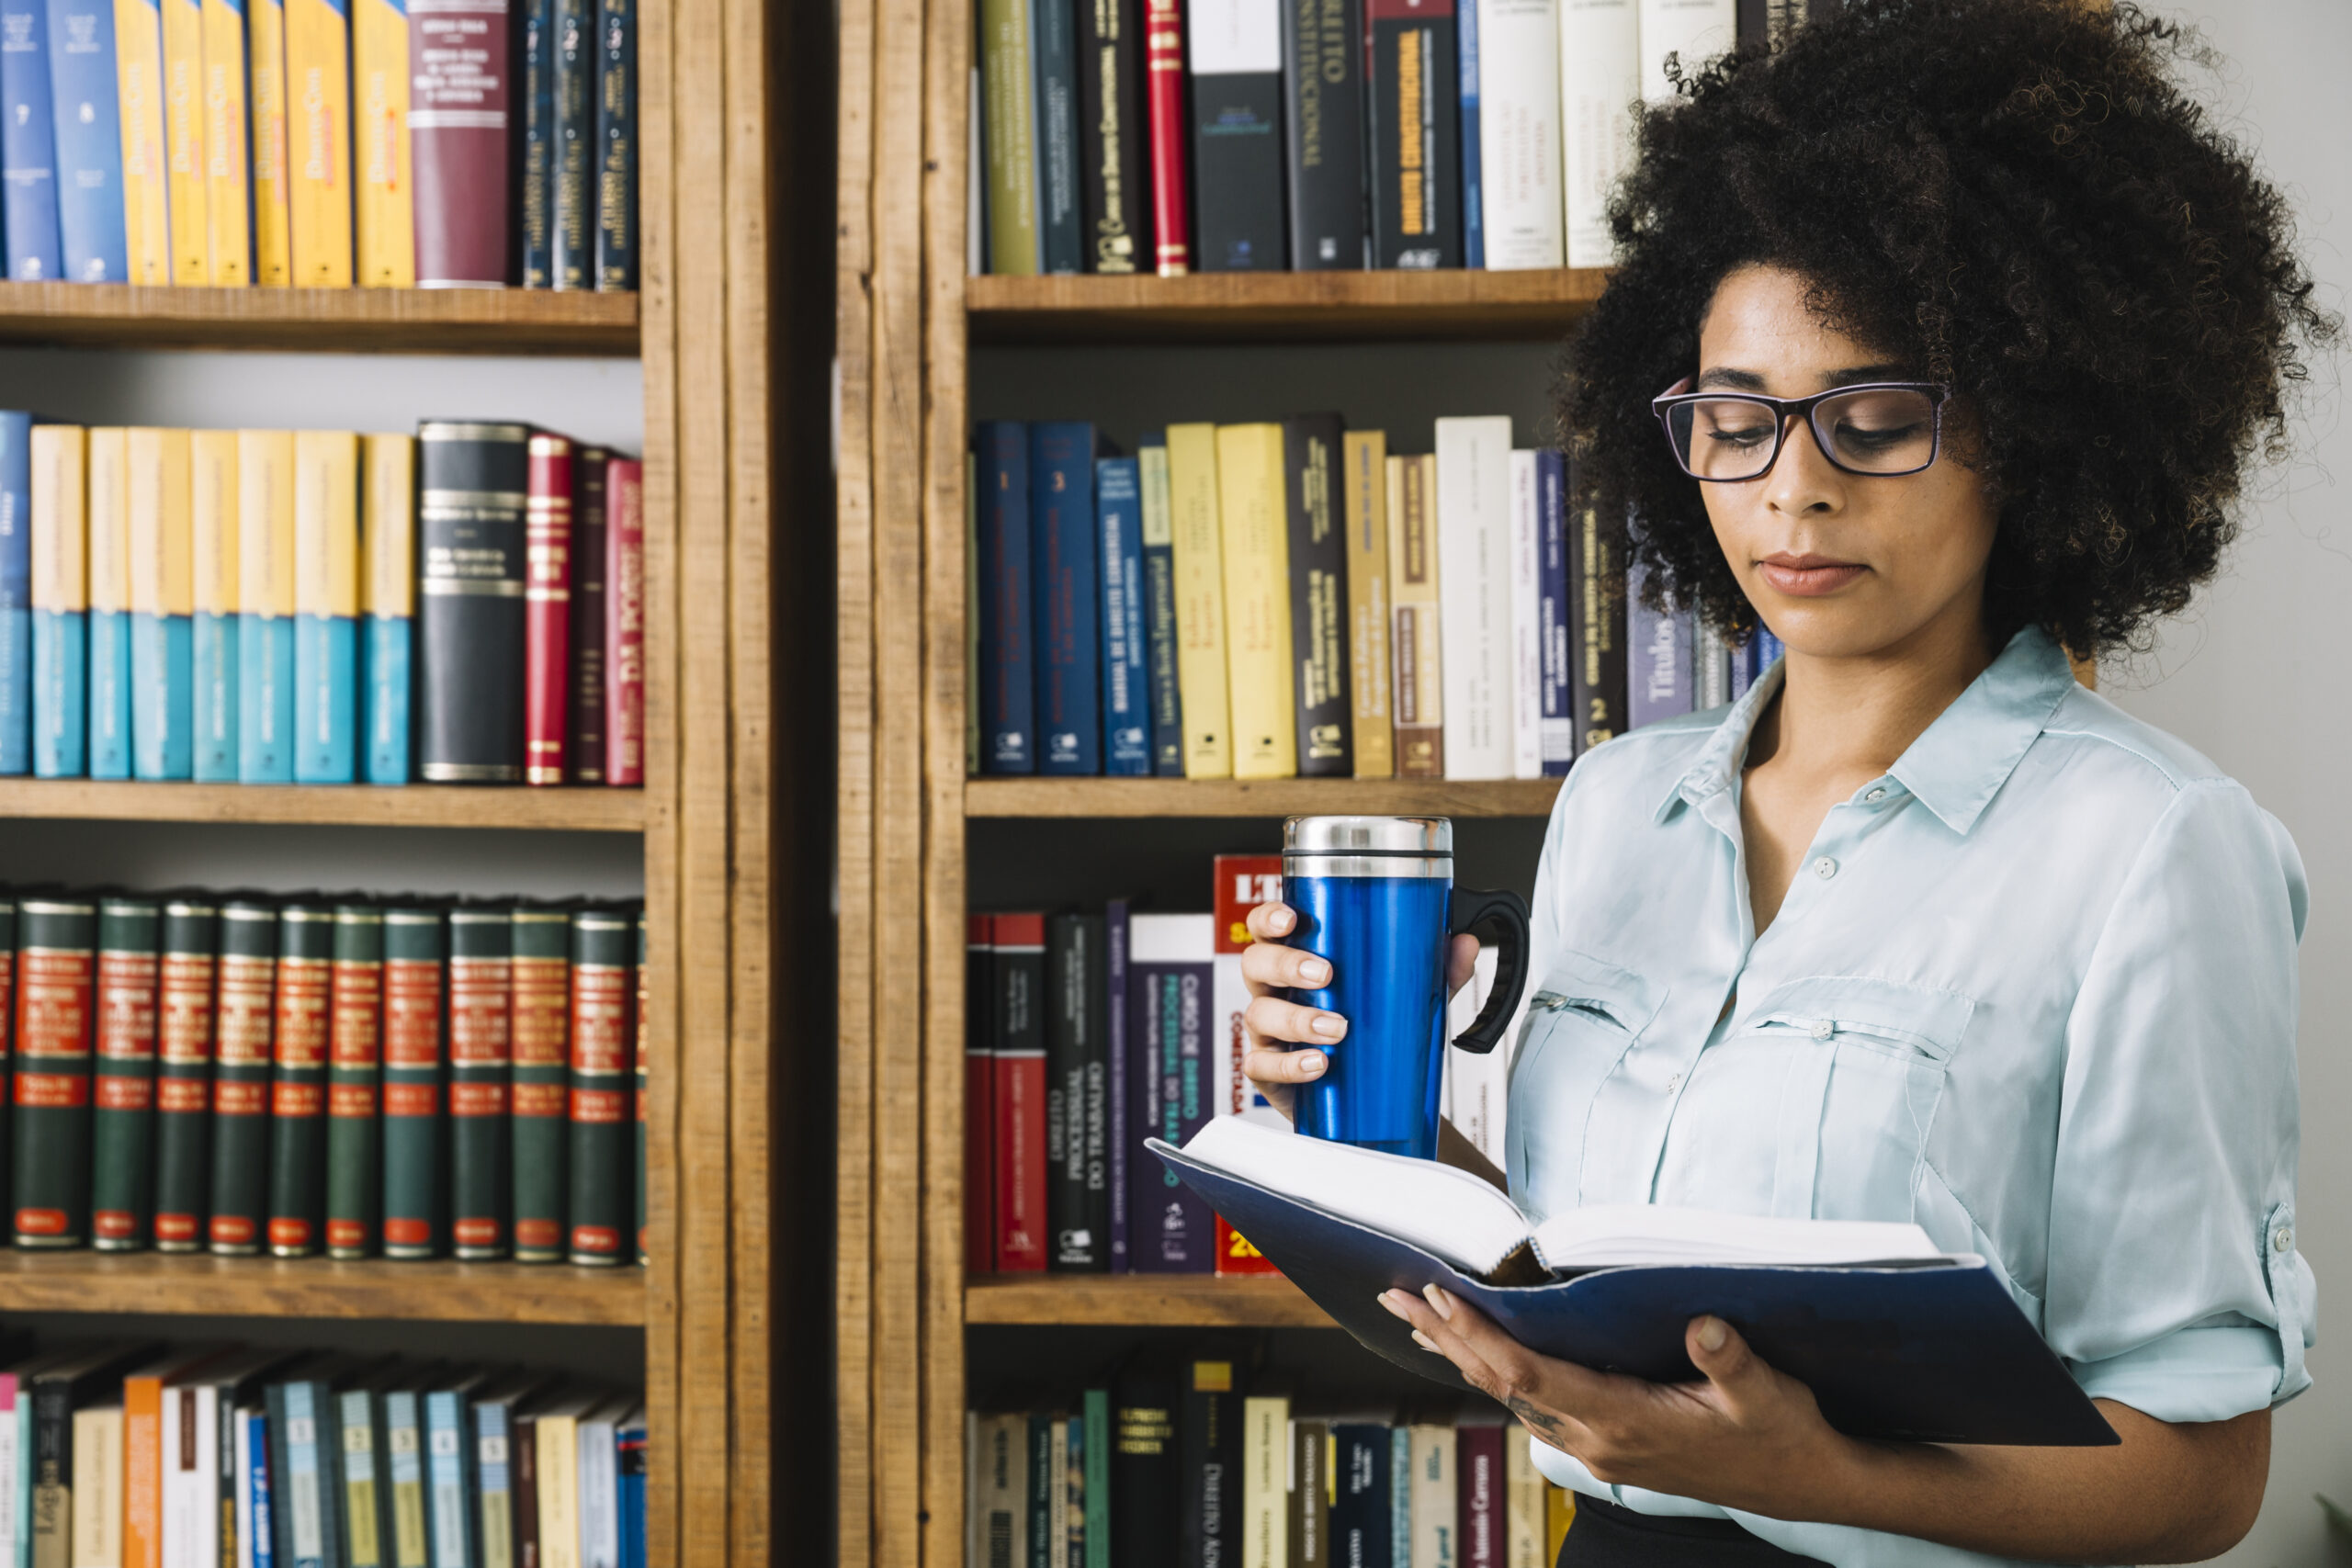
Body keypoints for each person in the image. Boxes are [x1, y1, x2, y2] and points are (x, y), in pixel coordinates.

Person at [1239, 2, 2331, 1562]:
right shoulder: (1617, 808)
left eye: (1875, 419)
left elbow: (2203, 1481)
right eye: (1737, 423)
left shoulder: (2155, 847)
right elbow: (1573, 1285)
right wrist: (1351, 1138)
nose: (1794, 487)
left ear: (2025, 429)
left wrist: (1814, 1475)